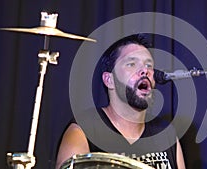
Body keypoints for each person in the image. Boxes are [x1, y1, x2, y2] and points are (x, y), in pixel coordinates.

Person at [55, 34, 186, 169]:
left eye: (148, 65)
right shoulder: (83, 131)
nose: (144, 71)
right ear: (109, 80)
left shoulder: (166, 134)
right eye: (131, 64)